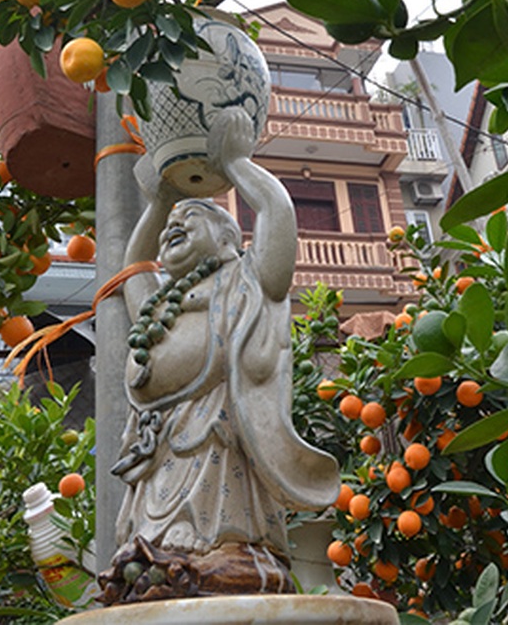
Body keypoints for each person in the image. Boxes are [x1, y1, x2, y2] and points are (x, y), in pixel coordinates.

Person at [102, 107, 340, 602]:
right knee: (152, 548)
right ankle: (159, 557)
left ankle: (222, 552)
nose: (173, 226)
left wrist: (235, 164)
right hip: (162, 438)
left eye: (189, 219)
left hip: (219, 428)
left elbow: (276, 214)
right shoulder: (161, 303)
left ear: (229, 238)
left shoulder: (246, 280)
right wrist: (160, 202)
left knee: (216, 515)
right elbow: (134, 265)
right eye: (170, 226)